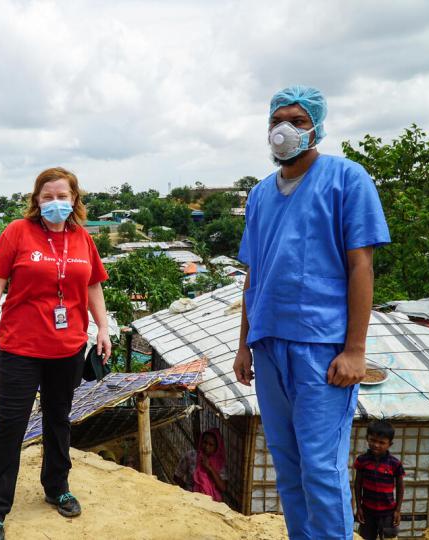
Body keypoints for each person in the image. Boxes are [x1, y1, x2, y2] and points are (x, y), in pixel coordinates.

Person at [233, 86, 390, 539]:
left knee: (321, 468)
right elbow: (252, 274)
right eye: (277, 120)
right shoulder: (261, 195)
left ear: (316, 127)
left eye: (297, 121)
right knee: (288, 465)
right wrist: (244, 345)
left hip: (322, 349)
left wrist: (355, 350)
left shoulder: (346, 179)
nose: (284, 129)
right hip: (268, 345)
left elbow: (361, 265)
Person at [0, 167, 111, 540]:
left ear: (74, 200)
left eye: (62, 196)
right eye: (47, 196)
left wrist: (103, 328)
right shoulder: (18, 232)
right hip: (22, 347)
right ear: (36, 200)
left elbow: (94, 284)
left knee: (58, 419)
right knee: (10, 425)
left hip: (68, 347)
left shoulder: (83, 238)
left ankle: (57, 487)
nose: (55, 202)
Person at [354, 420, 405, 540]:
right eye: (373, 440)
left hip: (388, 513)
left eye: (381, 442)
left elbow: (400, 488)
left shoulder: (395, 464)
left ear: (390, 444)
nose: (376, 445)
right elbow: (358, 484)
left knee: (389, 538)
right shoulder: (362, 461)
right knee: (365, 537)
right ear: (367, 438)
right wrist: (359, 507)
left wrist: (397, 510)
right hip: (367, 511)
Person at [173, 428, 226, 501]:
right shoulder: (191, 456)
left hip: (212, 503)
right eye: (205, 442)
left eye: (211, 445)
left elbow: (222, 487)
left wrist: (210, 468)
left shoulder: (220, 463)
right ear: (201, 441)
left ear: (216, 447)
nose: (207, 447)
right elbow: (176, 476)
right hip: (191, 500)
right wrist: (187, 490)